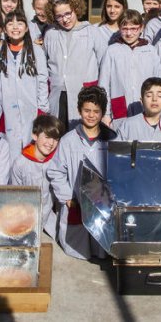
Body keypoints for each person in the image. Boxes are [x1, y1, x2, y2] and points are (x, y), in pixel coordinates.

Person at [47, 86, 116, 260]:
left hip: (103, 203)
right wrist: (67, 197)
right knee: (78, 245)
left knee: (103, 244)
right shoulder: (68, 140)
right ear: (79, 110)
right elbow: (56, 171)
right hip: (76, 203)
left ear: (102, 113)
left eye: (96, 111)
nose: (91, 115)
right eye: (87, 110)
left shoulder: (112, 140)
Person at [0, 11, 50, 157]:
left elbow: (42, 81)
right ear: (4, 29)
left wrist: (42, 109)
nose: (15, 27)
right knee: (9, 151)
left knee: (31, 149)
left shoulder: (36, 52)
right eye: (10, 24)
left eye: (20, 23)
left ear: (27, 28)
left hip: (31, 109)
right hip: (6, 112)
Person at [44, 0, 108, 126]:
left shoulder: (91, 32)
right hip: (58, 95)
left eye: (68, 13)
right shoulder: (51, 34)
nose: (65, 19)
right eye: (59, 16)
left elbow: (104, 64)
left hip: (84, 94)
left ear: (76, 9)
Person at [98, 9, 157, 126]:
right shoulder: (112, 50)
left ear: (141, 28)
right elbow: (103, 84)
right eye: (125, 29)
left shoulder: (150, 51)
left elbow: (158, 80)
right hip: (119, 106)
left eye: (133, 29)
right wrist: (105, 114)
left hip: (145, 106)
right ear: (119, 28)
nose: (129, 33)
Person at [11, 114, 65, 237]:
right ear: (34, 136)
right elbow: (15, 195)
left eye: (55, 139)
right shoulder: (20, 163)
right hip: (26, 215)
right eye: (47, 137)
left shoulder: (57, 161)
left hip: (48, 214)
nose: (51, 143)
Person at [115, 77, 161, 142]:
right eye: (149, 96)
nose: (154, 99)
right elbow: (116, 152)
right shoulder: (127, 125)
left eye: (159, 96)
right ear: (141, 101)